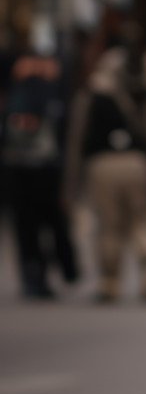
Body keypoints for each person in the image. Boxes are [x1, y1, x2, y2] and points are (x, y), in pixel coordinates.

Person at [66, 26, 146, 304]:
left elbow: (77, 138)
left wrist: (71, 184)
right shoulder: (141, 89)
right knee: (141, 221)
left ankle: (110, 281)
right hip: (137, 162)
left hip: (102, 165)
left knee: (109, 226)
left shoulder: (92, 92)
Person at [0, 34, 79, 299]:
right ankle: (35, 276)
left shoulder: (55, 91)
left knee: (51, 222)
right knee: (29, 226)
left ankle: (62, 268)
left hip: (46, 168)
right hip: (20, 168)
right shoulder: (14, 89)